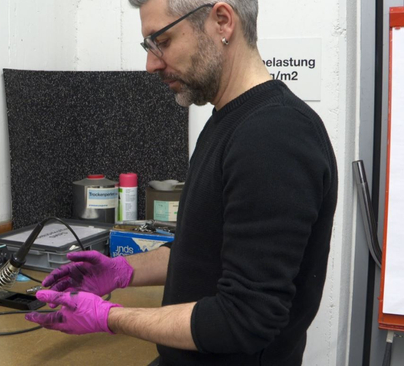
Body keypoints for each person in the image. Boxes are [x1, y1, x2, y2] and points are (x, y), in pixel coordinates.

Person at [25, 1, 338, 365]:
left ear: (222, 21)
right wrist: (123, 271)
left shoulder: (273, 136)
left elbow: (245, 319)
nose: (152, 63)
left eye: (163, 40)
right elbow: (207, 250)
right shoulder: (230, 120)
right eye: (149, 46)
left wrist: (109, 317)